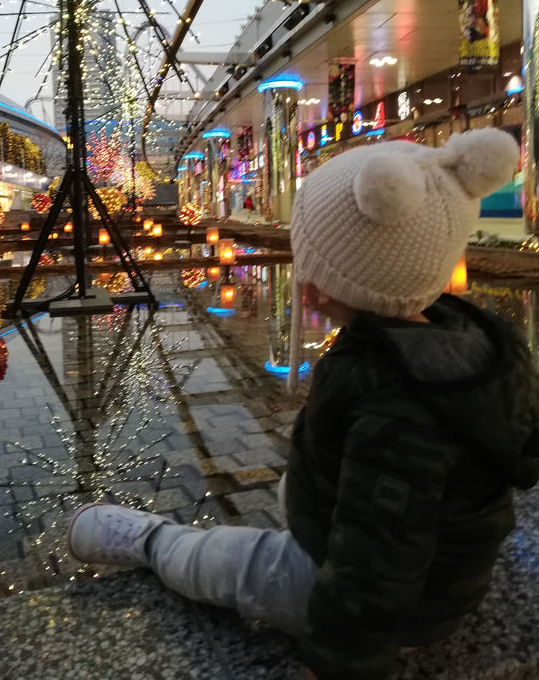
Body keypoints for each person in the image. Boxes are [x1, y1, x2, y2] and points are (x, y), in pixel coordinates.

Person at [67, 129, 539, 680]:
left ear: (322, 287)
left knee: (226, 564)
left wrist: (344, 662)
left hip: (393, 605)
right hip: (449, 568)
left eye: (308, 260)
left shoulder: (395, 399)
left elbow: (376, 558)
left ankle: (151, 541)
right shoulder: (478, 345)